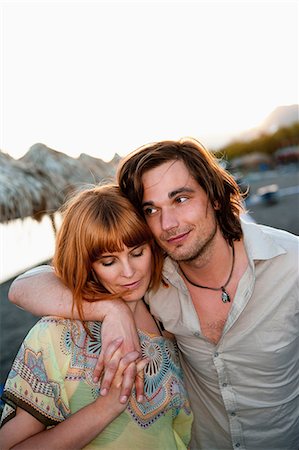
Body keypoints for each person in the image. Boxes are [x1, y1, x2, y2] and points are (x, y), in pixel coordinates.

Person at [8, 138, 299, 450]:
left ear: (214, 197)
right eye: (151, 209)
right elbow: (23, 286)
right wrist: (111, 310)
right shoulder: (156, 279)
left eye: (181, 199)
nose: (168, 223)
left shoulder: (291, 264)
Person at [1, 184, 193, 450]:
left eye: (137, 253)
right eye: (108, 261)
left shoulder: (167, 319)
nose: (129, 272)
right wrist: (106, 406)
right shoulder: (56, 335)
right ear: (86, 264)